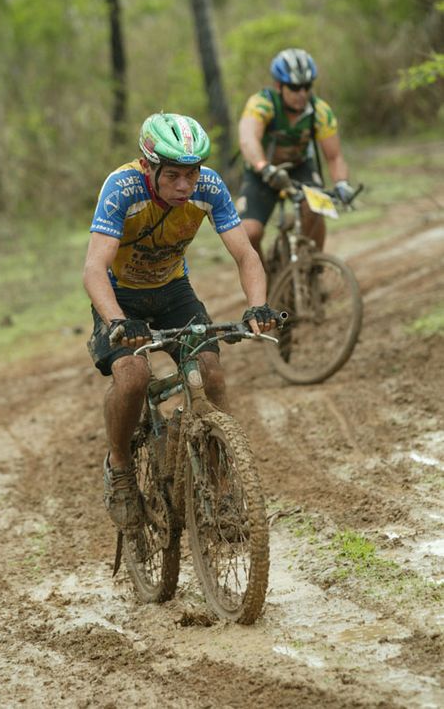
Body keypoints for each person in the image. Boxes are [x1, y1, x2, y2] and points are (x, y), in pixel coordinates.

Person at [83, 112, 280, 534]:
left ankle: (224, 490)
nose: (184, 187)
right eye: (172, 175)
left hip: (173, 291)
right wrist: (117, 320)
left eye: (191, 175)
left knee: (211, 372)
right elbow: (93, 270)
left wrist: (258, 306)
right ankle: (119, 469)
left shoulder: (209, 188)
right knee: (133, 376)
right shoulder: (122, 188)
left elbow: (246, 255)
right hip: (120, 296)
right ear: (148, 167)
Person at [236, 47, 355, 264]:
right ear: (279, 86)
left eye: (307, 87)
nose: (302, 93)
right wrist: (264, 167)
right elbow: (247, 139)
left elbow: (334, 156)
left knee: (315, 208)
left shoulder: (319, 111)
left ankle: (311, 267)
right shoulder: (262, 103)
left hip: (300, 167)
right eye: (294, 87)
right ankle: (264, 285)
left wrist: (342, 183)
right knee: (249, 232)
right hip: (263, 171)